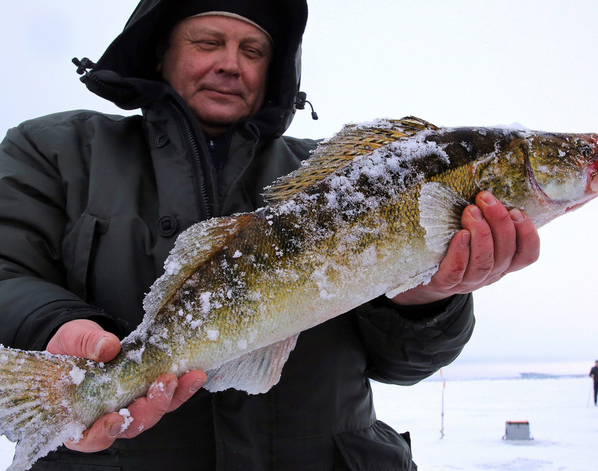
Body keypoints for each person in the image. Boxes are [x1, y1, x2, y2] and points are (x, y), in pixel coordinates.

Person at [0, 1, 540, 469]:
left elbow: (404, 366)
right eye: (208, 41)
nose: (230, 64)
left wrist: (428, 296)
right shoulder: (54, 150)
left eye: (253, 50)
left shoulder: (330, 179)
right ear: (160, 51)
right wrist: (53, 326)